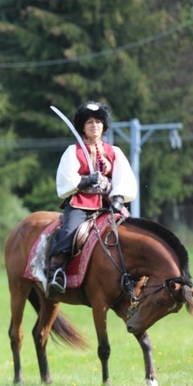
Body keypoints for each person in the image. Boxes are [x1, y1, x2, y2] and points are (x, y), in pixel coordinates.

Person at [46, 102, 137, 295]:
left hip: (109, 205)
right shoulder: (73, 152)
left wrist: (118, 201)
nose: (94, 125)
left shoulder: (114, 152)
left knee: (133, 232)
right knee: (70, 232)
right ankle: (56, 271)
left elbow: (123, 179)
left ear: (103, 126)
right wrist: (86, 179)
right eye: (89, 122)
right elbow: (66, 180)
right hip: (81, 203)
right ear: (83, 127)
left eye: (97, 121)